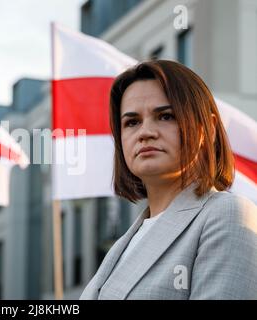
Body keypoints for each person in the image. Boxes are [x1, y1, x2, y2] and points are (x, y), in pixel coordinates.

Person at [80, 60, 257, 300]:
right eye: (132, 122)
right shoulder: (125, 243)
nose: (145, 132)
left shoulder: (227, 213)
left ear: (208, 129)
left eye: (165, 116)